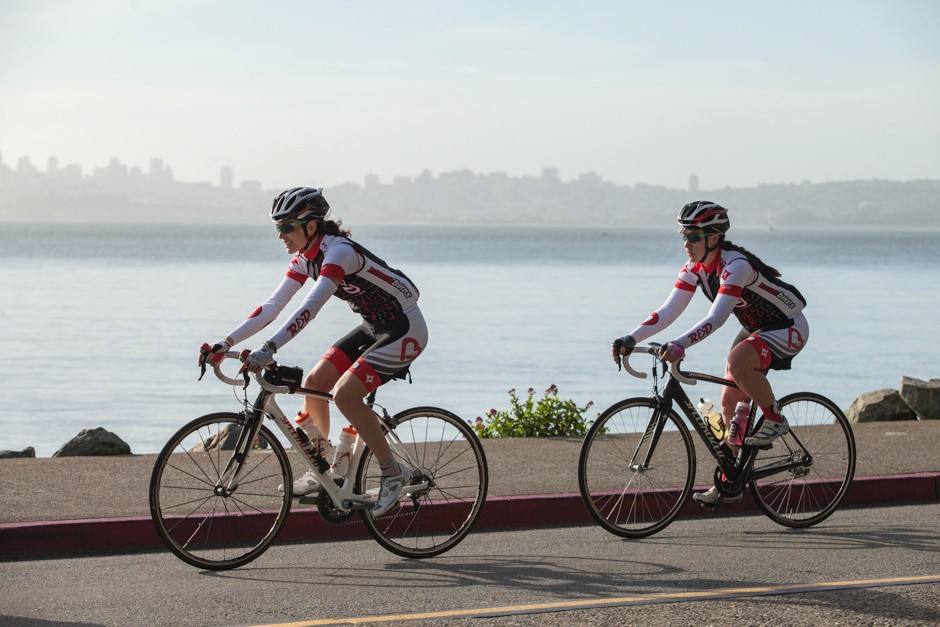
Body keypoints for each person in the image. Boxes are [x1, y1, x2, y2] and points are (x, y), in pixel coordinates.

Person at [199, 187, 428, 516]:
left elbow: (310, 306)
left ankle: (393, 473)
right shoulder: (306, 258)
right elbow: (272, 306)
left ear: (310, 226)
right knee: (316, 381)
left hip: (406, 328)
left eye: (285, 226)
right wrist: (225, 343)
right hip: (373, 325)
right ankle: (329, 469)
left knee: (346, 394)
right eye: (277, 228)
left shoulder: (339, 252)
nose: (280, 235)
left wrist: (270, 347)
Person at [611, 201, 808, 506]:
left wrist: (679, 344)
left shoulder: (736, 267)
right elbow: (668, 311)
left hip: (787, 327)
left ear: (713, 238)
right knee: (729, 402)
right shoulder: (695, 269)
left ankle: (775, 417)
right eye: (683, 236)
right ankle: (731, 478)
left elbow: (716, 319)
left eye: (692, 237)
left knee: (737, 362)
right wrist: (630, 337)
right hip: (756, 330)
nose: (686, 244)